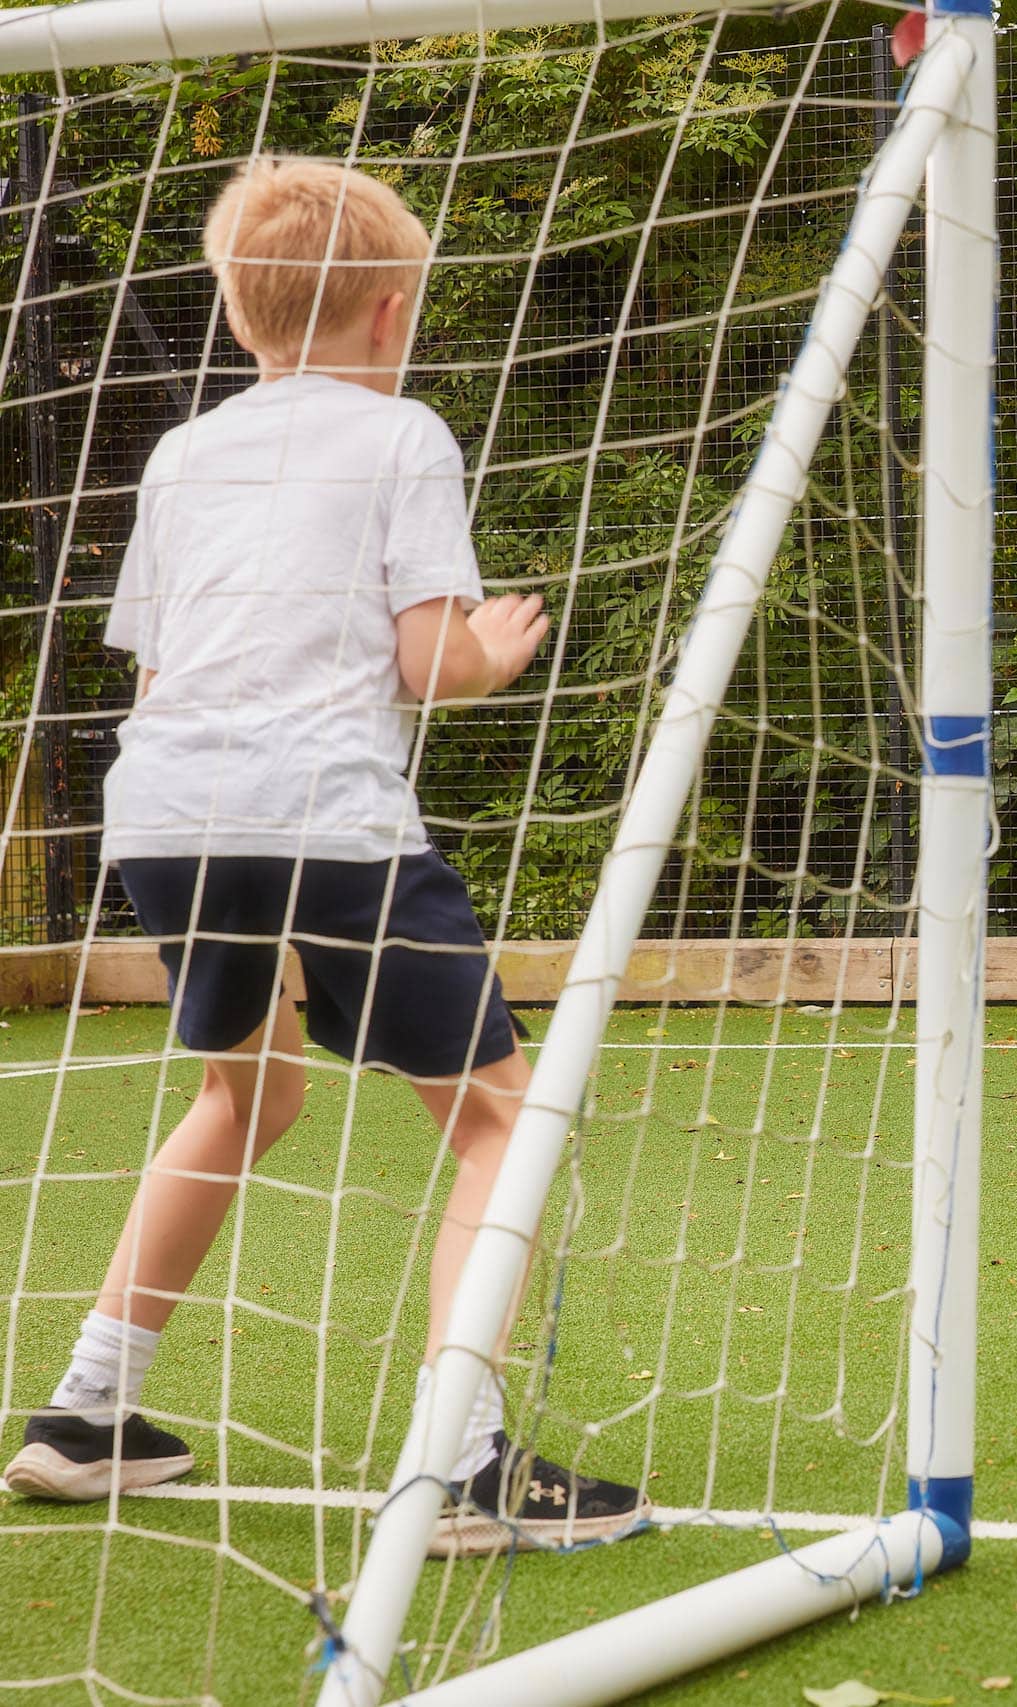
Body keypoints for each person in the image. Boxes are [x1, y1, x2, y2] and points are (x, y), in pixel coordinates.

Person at [2, 159, 644, 1557]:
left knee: (251, 1095)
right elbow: (426, 661)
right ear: (393, 312)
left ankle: (82, 1413)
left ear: (239, 319)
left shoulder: (183, 454)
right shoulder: (404, 433)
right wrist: (495, 655)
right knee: (499, 1118)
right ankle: (464, 1464)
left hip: (166, 810)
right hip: (325, 811)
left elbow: (169, 665)